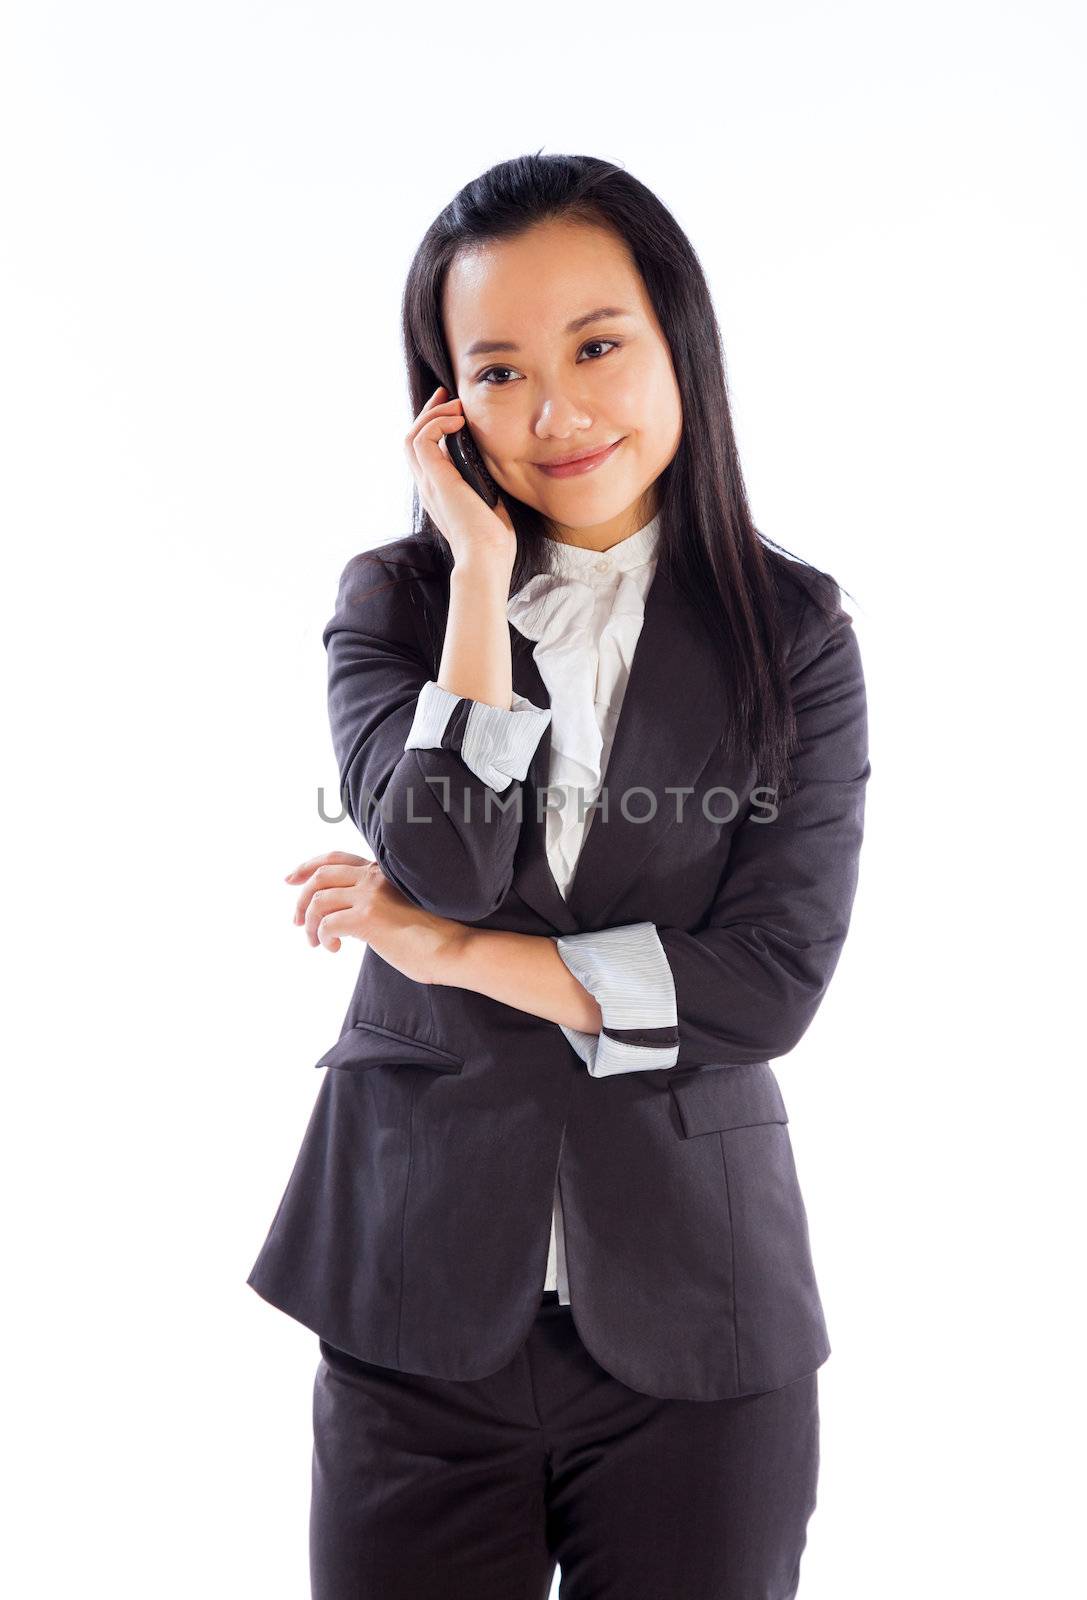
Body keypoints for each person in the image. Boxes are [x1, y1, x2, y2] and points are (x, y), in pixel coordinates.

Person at [247, 151, 871, 1600]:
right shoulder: (393, 607)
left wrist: (457, 961)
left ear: (676, 341)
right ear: (447, 407)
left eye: (597, 347)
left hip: (701, 1329)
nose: (559, 411)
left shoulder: (800, 638)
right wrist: (476, 571)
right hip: (412, 1299)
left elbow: (767, 985)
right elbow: (448, 861)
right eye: (503, 372)